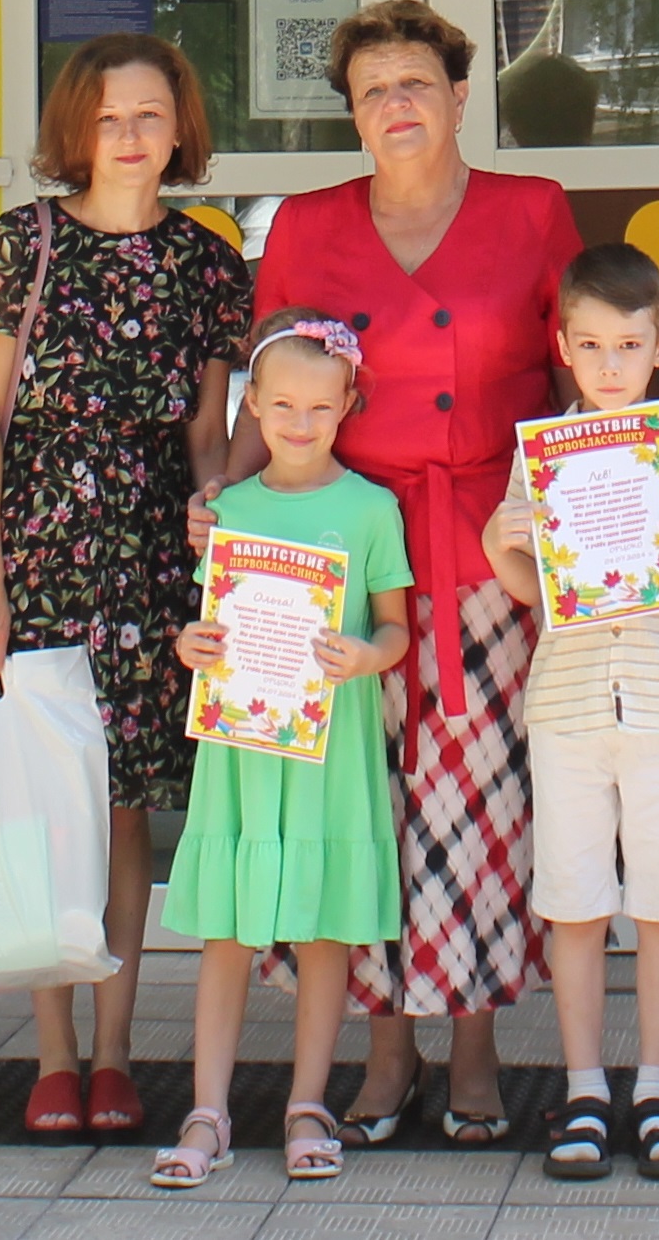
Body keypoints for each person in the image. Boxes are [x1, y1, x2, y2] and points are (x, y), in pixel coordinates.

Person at [240, 0, 575, 1144]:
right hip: (344, 555)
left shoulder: (531, 209)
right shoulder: (306, 223)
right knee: (364, 804)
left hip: (489, 551)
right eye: (373, 88)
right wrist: (225, 506)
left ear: (459, 95)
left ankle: (474, 1045)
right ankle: (385, 1049)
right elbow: (270, 383)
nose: (396, 104)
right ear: (350, 109)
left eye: (416, 83)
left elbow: (580, 379)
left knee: (480, 806)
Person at [0, 33, 246, 1140]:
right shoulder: (18, 246)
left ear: (180, 130)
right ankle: (53, 1053)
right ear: (77, 127)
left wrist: (222, 527)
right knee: (46, 807)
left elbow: (206, 437)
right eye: (110, 115)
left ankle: (115, 1052)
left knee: (123, 812)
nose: (129, 134)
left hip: (153, 565)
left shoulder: (206, 262)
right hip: (37, 560)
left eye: (150, 114)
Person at [484, 241, 659, 1182]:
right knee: (576, 902)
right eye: (590, 345)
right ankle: (587, 1087)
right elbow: (532, 591)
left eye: (628, 346)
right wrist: (501, 542)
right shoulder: (541, 459)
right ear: (563, 346)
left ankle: (658, 1088)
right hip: (567, 706)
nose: (608, 365)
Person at [151, 314, 414, 1192]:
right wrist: (191, 645)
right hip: (243, 753)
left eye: (321, 408)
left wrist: (369, 657)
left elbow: (395, 628)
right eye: (284, 406)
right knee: (229, 928)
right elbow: (212, 625)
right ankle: (207, 1111)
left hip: (330, 754)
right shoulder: (228, 512)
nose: (301, 423)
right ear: (253, 407)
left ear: (349, 406)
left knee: (325, 924)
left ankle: (308, 1104)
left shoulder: (370, 509)